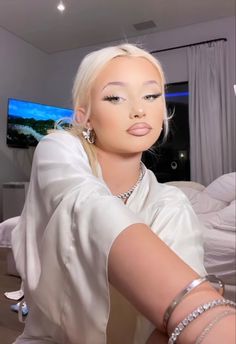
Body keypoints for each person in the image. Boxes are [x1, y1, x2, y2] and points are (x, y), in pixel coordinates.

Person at [11, 43, 235, 344]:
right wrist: (205, 313)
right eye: (115, 97)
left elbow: (168, 330)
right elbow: (87, 206)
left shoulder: (172, 205)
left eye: (151, 95)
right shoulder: (57, 149)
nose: (139, 109)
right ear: (83, 116)